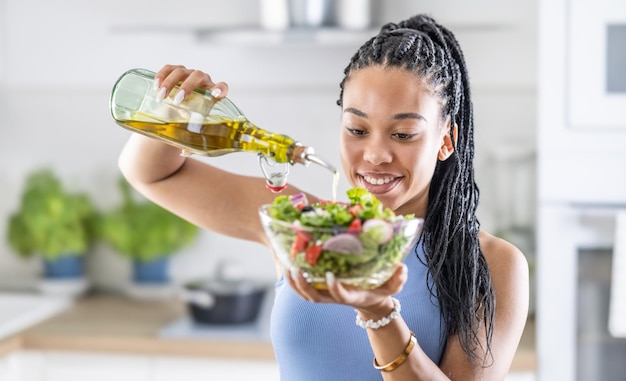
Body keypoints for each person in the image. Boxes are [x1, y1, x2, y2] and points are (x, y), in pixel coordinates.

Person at [118, 14, 529, 380]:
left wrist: (378, 312)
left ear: (445, 140)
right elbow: (150, 174)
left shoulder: (491, 264)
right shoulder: (303, 226)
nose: (375, 155)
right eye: (357, 130)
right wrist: (174, 110)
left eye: (403, 134)